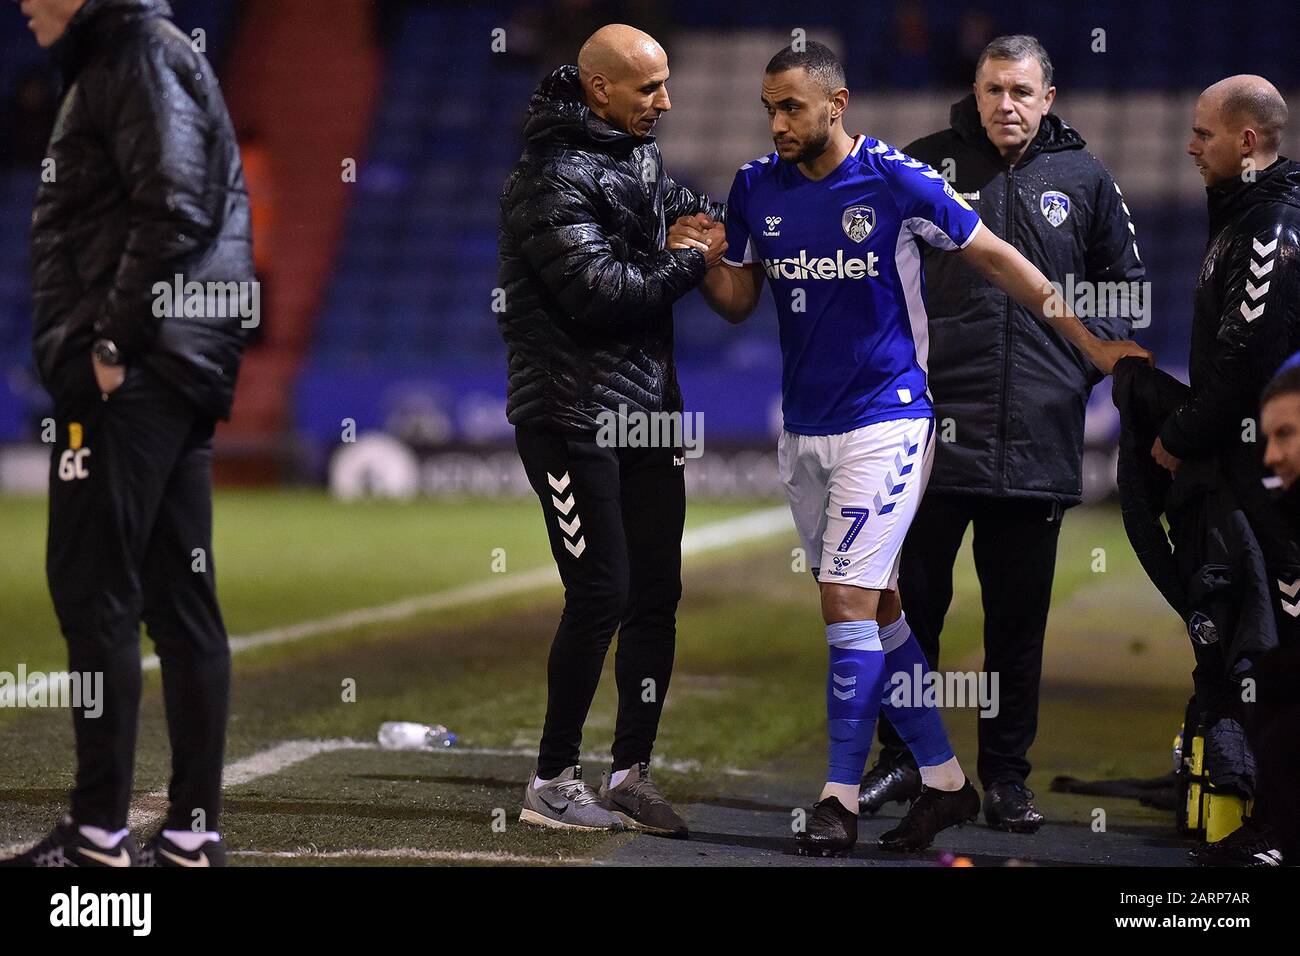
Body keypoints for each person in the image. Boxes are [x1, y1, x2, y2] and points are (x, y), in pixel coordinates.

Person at [688, 41, 1148, 856]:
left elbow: (999, 259)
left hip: (890, 421)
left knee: (845, 601)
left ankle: (838, 798)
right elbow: (736, 301)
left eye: (791, 106)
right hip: (804, 431)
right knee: (887, 606)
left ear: (838, 102)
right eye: (768, 107)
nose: (776, 122)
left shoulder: (896, 177)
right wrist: (702, 260)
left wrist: (1090, 342)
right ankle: (942, 780)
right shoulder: (756, 187)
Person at [862, 35, 1144, 833]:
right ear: (976, 92)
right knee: (909, 609)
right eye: (993, 90)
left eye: (1021, 91)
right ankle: (906, 759)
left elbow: (1124, 295)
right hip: (929, 434)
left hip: (1036, 437)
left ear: (1048, 96)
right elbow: (877, 277)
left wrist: (1072, 375)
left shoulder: (1085, 178)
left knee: (1017, 623)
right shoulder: (922, 165)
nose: (1006, 105)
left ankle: (1007, 778)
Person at [2, 0, 254, 867]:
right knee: (181, 602)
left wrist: (109, 342)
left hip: (135, 372)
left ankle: (100, 832)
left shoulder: (135, 53)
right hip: (173, 365)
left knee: (93, 591)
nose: (25, 5)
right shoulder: (144, 51)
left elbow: (174, 207)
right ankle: (191, 833)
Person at [497, 24, 726, 837]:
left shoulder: (638, 155)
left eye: (665, 84)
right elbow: (603, 294)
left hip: (646, 413)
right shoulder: (546, 178)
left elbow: (680, 209)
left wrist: (709, 220)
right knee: (601, 592)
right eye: (648, 88)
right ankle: (552, 783)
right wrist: (694, 261)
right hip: (569, 418)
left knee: (655, 595)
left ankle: (630, 771)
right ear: (599, 89)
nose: (665, 101)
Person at [1157, 77, 1300, 864]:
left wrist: (1179, 431)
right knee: (1254, 646)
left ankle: (1276, 834)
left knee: (1277, 651)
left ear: (1248, 142)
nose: (1191, 145)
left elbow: (1245, 359)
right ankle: (1263, 817)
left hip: (1269, 478)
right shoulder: (1243, 218)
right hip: (1251, 469)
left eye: (1205, 133)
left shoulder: (1271, 226)